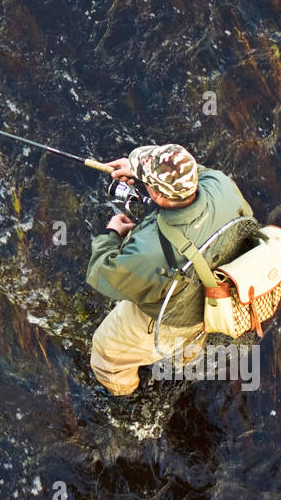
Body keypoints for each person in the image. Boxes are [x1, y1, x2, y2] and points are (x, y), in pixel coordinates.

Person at [85, 144, 254, 395]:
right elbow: (198, 173)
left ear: (160, 198)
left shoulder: (148, 252)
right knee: (185, 344)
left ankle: (125, 398)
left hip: (176, 318)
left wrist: (112, 234)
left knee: (106, 352)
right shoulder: (222, 184)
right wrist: (141, 169)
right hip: (219, 295)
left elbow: (103, 272)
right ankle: (183, 357)